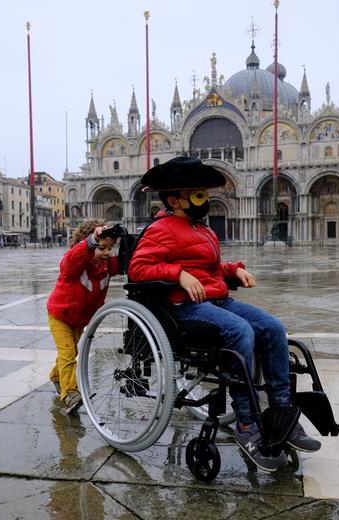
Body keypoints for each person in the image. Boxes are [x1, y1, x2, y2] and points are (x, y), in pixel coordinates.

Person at [128, 156, 321, 473]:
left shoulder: (200, 229)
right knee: (241, 331)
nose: (203, 198)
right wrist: (178, 275)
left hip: (217, 300)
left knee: (273, 328)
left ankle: (282, 413)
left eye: (203, 192)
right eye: (196, 193)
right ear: (175, 198)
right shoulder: (160, 229)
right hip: (184, 307)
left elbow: (210, 270)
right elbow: (138, 269)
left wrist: (234, 271)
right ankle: (247, 424)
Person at [46, 219, 120, 414]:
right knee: (68, 354)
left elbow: (126, 262)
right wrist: (91, 240)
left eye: (110, 248)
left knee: (71, 354)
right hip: (60, 315)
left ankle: (56, 376)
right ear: (88, 245)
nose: (106, 253)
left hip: (79, 319)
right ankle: (70, 393)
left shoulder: (106, 266)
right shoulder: (74, 264)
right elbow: (72, 259)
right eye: (102, 248)